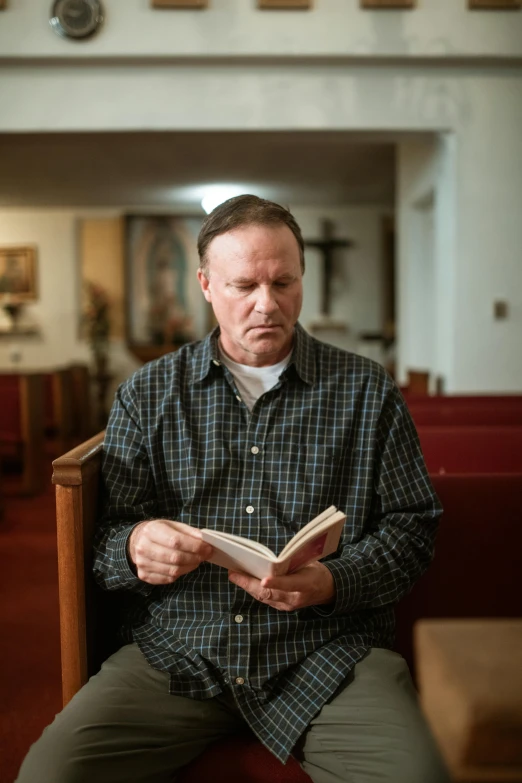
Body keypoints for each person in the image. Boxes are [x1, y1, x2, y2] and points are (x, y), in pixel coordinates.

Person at [16, 195, 449, 783]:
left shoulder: (367, 391)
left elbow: (412, 528)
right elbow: (105, 543)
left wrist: (332, 581)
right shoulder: (147, 394)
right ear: (205, 285)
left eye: (283, 282)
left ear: (303, 278)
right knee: (51, 772)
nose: (266, 305)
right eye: (243, 285)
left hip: (327, 653)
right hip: (179, 651)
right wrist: (136, 545)